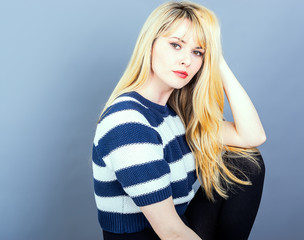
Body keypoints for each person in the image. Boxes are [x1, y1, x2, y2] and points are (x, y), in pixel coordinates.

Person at [92, 1, 266, 239]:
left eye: (197, 52)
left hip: (180, 227)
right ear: (150, 45)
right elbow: (171, 232)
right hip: (156, 235)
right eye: (176, 45)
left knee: (245, 162)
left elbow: (252, 136)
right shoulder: (128, 123)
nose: (187, 60)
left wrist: (217, 60)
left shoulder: (176, 115)